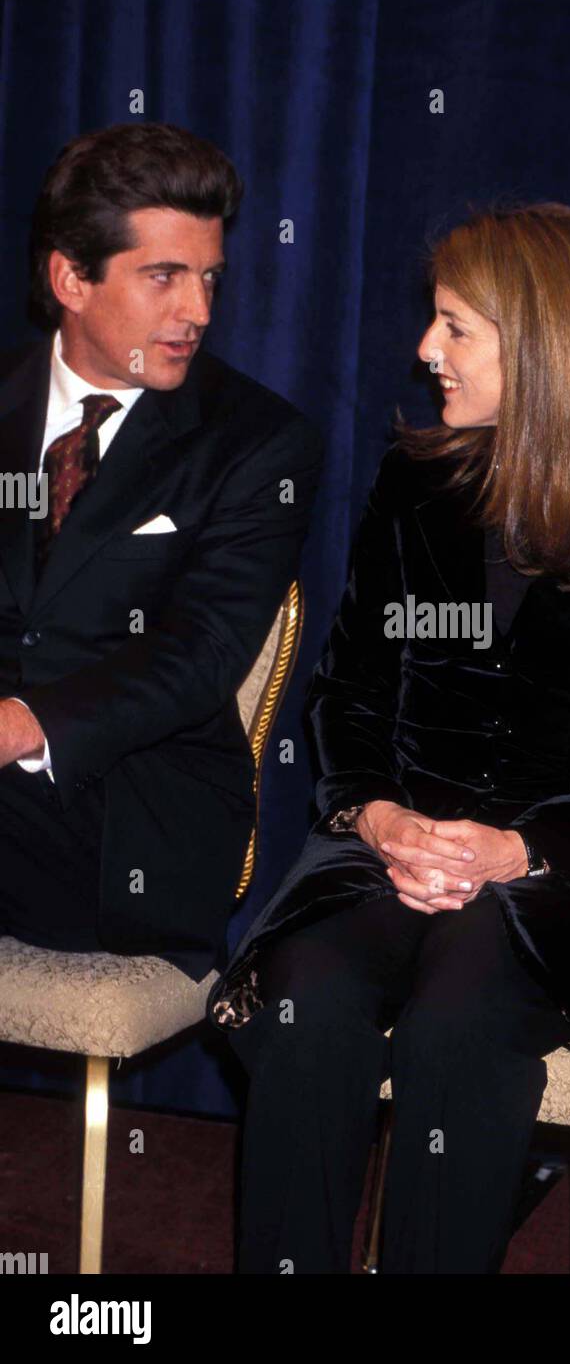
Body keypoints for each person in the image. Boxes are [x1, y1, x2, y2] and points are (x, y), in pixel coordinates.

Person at [208, 201, 570, 1274]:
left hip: (552, 875)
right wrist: (380, 813)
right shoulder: (416, 485)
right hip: (379, 851)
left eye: (455, 326)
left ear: (542, 343)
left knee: (460, 1019)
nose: (423, 349)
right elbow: (345, 690)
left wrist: (517, 849)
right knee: (304, 997)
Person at [0, 122, 322, 981]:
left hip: (136, 820)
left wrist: (20, 725)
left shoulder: (258, 443)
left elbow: (200, 655)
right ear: (70, 277)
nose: (200, 312)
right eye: (164, 277)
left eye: (208, 277)